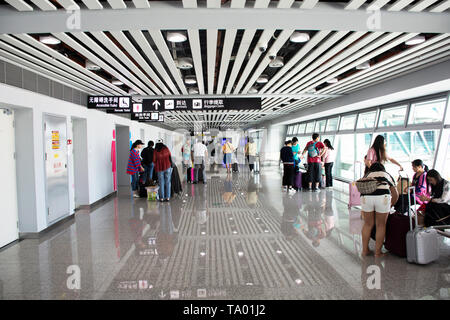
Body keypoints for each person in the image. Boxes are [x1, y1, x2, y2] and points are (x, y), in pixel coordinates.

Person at [360, 163, 398, 258]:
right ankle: (378, 253)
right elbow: (395, 194)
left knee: (367, 224)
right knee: (381, 225)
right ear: (383, 169)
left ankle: (365, 250)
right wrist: (390, 205)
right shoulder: (387, 175)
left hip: (366, 197)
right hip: (383, 197)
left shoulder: (367, 175)